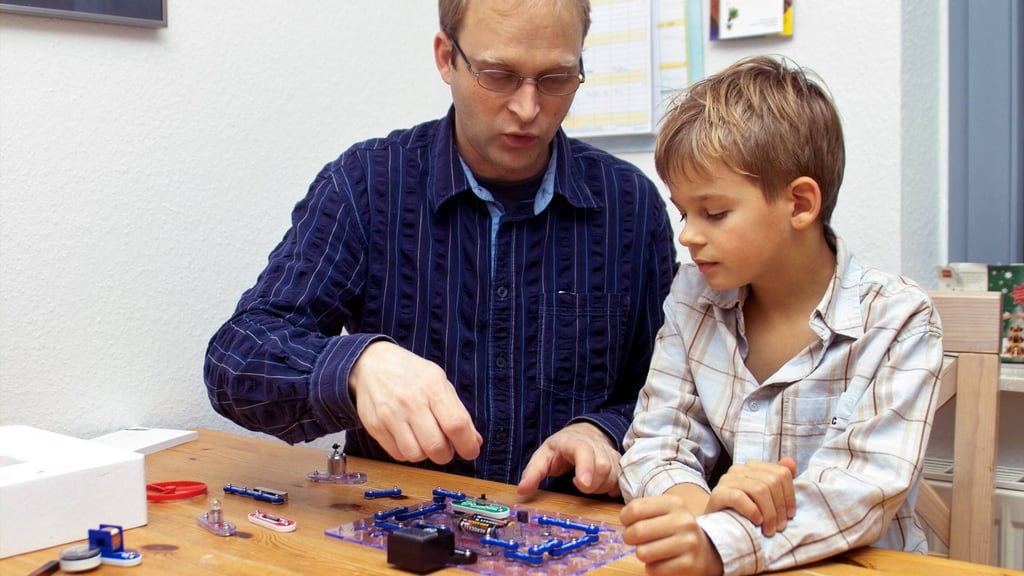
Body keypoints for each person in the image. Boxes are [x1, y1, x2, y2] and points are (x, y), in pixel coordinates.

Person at [203, 0, 677, 498]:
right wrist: (357, 365)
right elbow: (235, 357)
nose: (527, 108)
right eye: (499, 75)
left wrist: (605, 430)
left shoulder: (631, 206)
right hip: (398, 524)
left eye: (556, 78)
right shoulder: (367, 186)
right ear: (446, 58)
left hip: (568, 528)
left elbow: (673, 395)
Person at [617, 55, 944, 575]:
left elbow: (858, 492)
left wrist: (719, 543)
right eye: (683, 212)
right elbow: (654, 445)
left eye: (714, 213)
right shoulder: (693, 296)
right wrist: (699, 510)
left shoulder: (898, 319)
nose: (688, 235)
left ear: (800, 204)